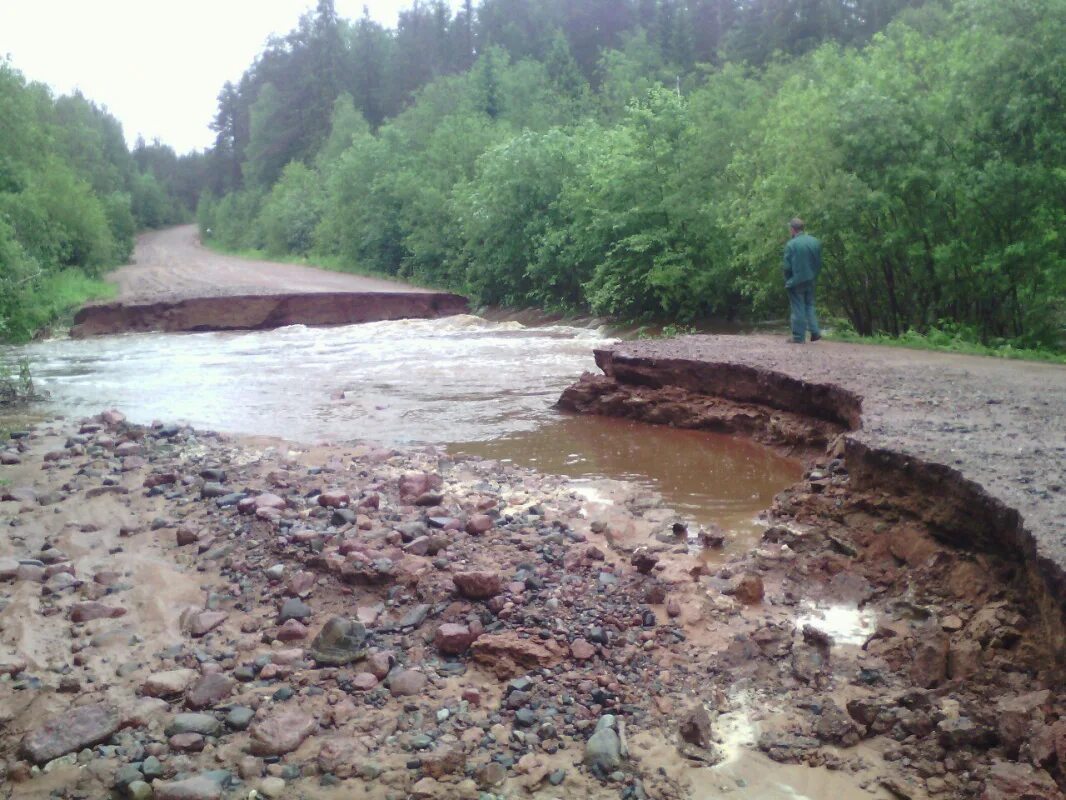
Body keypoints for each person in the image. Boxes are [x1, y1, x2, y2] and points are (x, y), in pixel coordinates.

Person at [783, 217, 822, 343]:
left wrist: (788, 281)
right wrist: (814, 275)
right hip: (811, 279)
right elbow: (818, 263)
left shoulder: (791, 244)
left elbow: (787, 267)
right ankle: (815, 332)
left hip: (796, 281)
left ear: (792, 229)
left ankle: (799, 337)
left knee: (798, 308)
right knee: (809, 306)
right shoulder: (815, 242)